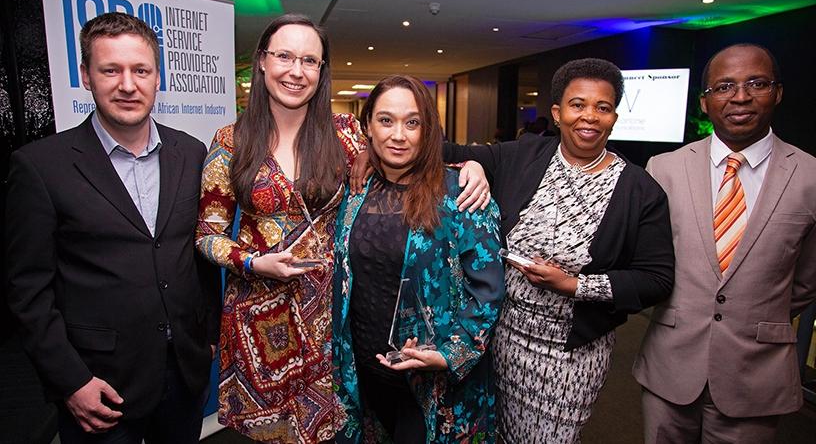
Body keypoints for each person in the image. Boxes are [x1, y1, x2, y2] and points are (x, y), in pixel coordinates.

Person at [194, 16, 488, 443]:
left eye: (309, 60)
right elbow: (207, 233)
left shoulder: (346, 135)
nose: (296, 71)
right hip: (258, 318)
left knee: (339, 430)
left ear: (321, 70)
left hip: (333, 319)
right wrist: (253, 262)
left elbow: (409, 153)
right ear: (261, 62)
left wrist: (471, 166)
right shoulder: (231, 141)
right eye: (284, 56)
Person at [5, 12, 220, 443]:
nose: (127, 84)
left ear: (158, 76)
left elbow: (200, 251)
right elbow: (27, 290)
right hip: (99, 386)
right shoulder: (41, 167)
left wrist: (208, 337)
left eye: (141, 70)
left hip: (184, 373)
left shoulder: (193, 153)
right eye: (110, 70)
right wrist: (71, 381)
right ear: (86, 76)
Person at [443, 58, 674, 443]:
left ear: (615, 117)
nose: (589, 117)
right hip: (500, 341)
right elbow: (443, 150)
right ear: (557, 112)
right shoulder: (524, 156)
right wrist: (471, 163)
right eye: (577, 105)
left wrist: (574, 286)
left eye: (602, 108)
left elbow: (656, 279)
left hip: (571, 355)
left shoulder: (639, 189)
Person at [633, 43, 816, 443]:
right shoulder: (663, 169)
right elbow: (650, 261)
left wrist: (756, 312)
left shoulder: (810, 176)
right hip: (672, 363)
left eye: (757, 83)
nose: (740, 96)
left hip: (756, 371)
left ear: (778, 92)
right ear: (705, 102)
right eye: (724, 86)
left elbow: (806, 281)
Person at [332, 75, 506, 443]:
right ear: (367, 126)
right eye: (385, 120)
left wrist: (449, 355)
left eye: (412, 123)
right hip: (363, 371)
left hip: (434, 381)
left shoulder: (462, 192)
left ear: (428, 130)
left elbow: (488, 292)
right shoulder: (355, 189)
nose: (398, 134)